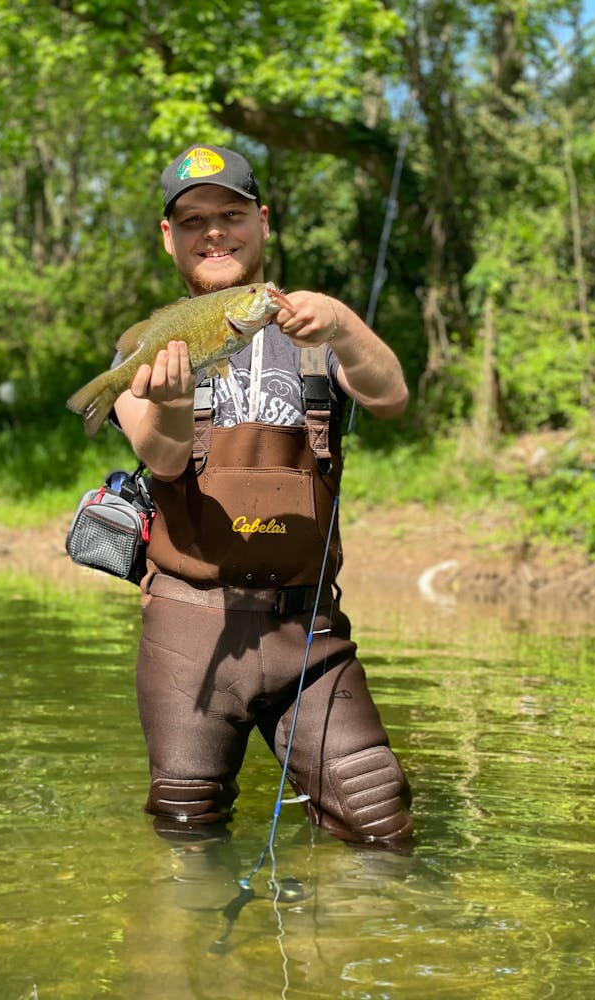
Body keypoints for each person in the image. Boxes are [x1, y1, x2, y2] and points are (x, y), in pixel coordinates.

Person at [113, 143, 413, 847]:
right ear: (169, 237)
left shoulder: (315, 328)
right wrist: (176, 403)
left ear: (264, 221)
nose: (213, 231)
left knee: (380, 824)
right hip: (189, 633)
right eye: (192, 220)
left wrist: (341, 323)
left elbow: (391, 395)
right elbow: (158, 454)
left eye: (231, 214)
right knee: (185, 834)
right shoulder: (153, 348)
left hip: (307, 632)